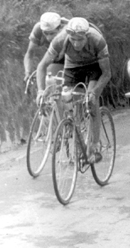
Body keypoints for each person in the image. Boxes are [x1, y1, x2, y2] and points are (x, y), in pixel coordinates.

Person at [36, 17, 112, 164]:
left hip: (94, 65)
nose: (76, 43)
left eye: (80, 39)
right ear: (68, 35)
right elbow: (41, 66)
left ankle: (94, 147)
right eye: (73, 39)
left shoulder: (97, 40)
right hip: (73, 66)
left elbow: (107, 73)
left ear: (87, 36)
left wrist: (94, 92)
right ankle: (79, 139)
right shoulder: (60, 40)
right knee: (68, 99)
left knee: (91, 100)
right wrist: (40, 91)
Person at [23, 11, 69, 82]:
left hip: (71, 54)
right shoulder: (38, 29)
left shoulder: (67, 30)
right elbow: (30, 53)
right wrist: (27, 72)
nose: (49, 37)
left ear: (59, 28)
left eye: (52, 33)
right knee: (48, 81)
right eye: (46, 33)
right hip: (54, 56)